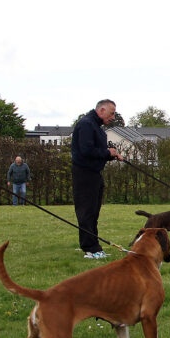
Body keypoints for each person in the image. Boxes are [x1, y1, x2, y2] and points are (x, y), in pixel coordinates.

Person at [71, 100, 119, 258]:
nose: (113, 117)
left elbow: (96, 152)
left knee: (93, 212)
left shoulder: (95, 126)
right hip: (84, 174)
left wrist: (111, 156)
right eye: (111, 113)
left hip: (94, 174)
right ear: (102, 110)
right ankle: (91, 249)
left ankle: (91, 243)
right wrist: (108, 153)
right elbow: (87, 150)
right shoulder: (86, 124)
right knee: (87, 212)